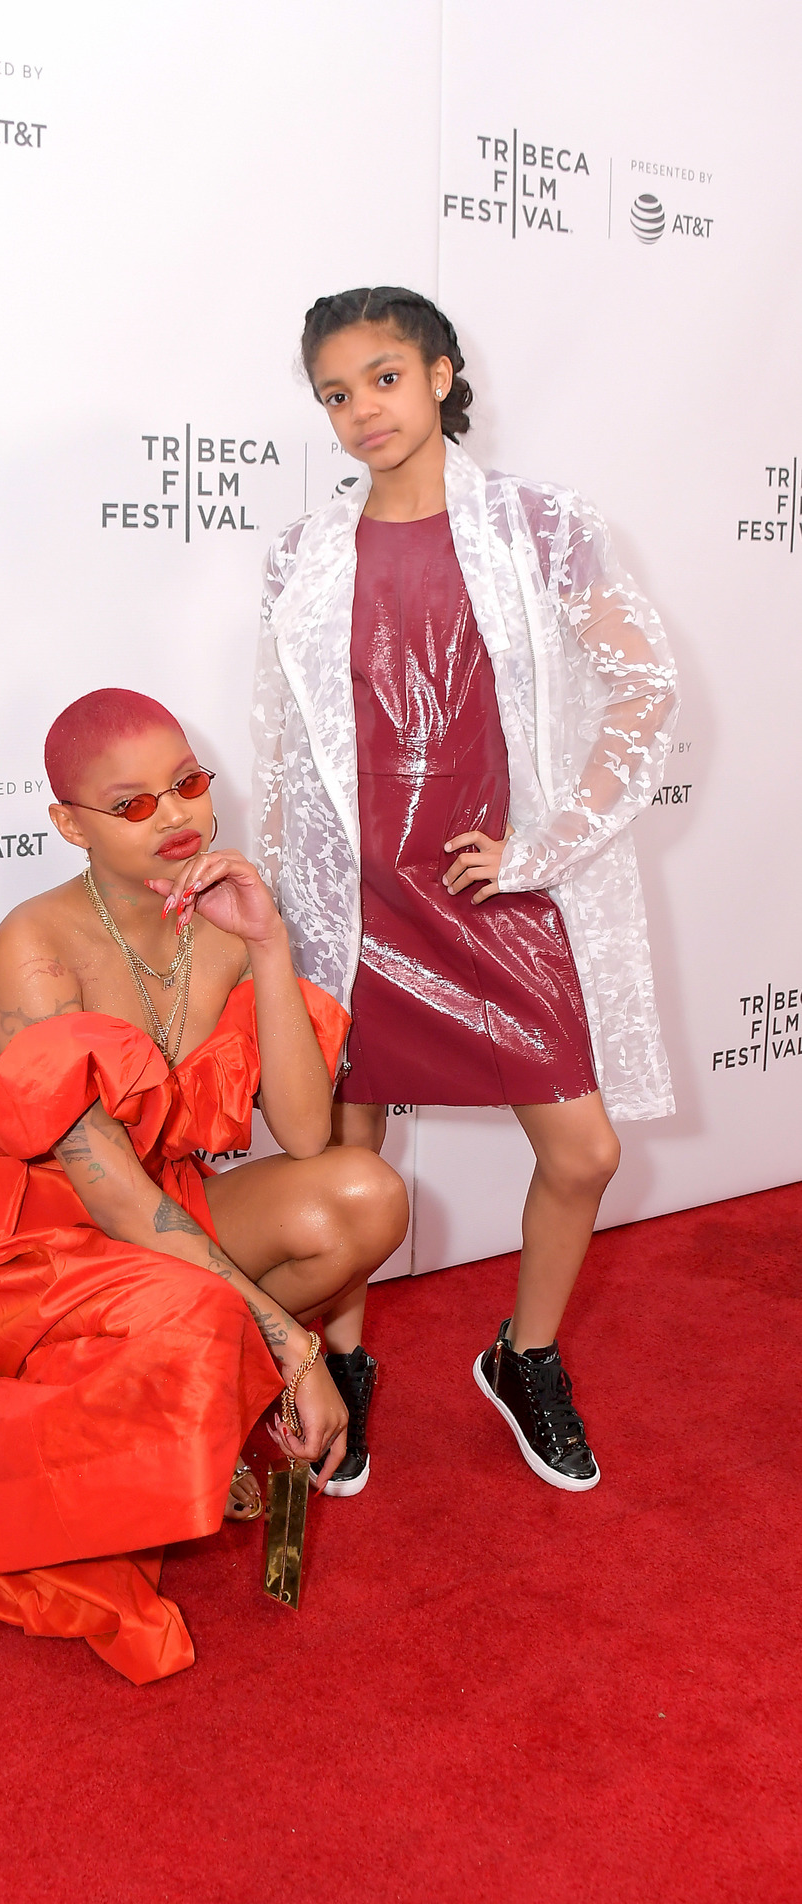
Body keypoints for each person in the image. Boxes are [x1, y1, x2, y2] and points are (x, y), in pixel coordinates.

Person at [0, 689, 408, 1682]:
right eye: (135, 804)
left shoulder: (222, 922)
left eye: (187, 784)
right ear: (69, 824)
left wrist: (268, 943)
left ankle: (193, 1402)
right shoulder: (37, 946)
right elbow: (110, 1201)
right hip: (24, 1242)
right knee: (192, 1301)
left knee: (363, 1196)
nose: (177, 816)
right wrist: (293, 1346)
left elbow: (307, 1133)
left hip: (163, 1211)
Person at [253, 285, 678, 1494]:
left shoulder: (540, 528)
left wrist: (544, 843)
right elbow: (290, 746)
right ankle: (343, 1363)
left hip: (494, 895)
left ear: (441, 372)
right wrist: (291, 909)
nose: (360, 410)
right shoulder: (302, 554)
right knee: (348, 1160)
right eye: (334, 393)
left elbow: (644, 695)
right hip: (361, 908)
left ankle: (523, 1352)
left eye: (383, 377)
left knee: (583, 1149)